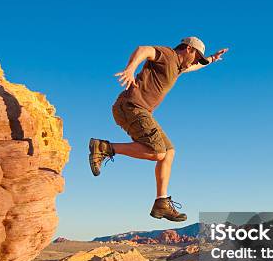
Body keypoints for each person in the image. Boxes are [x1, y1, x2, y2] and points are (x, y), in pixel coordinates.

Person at [88, 36, 229, 221]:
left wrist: (211, 59)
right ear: (188, 49)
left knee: (169, 152)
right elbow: (144, 49)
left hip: (140, 111)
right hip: (131, 107)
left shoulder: (179, 67)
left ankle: (161, 202)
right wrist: (130, 69)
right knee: (158, 152)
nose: (195, 61)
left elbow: (195, 66)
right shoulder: (168, 55)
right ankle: (105, 147)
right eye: (196, 57)